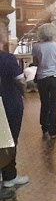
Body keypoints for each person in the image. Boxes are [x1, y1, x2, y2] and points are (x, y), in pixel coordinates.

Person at [0, 24, 29, 188]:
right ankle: (9, 176)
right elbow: (20, 81)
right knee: (9, 139)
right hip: (8, 102)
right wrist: (24, 92)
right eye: (6, 32)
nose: (7, 34)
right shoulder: (7, 58)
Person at [32, 23, 56, 140]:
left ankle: (44, 129)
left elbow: (35, 63)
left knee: (44, 103)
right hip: (55, 77)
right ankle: (53, 131)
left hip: (42, 78)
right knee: (54, 104)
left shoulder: (36, 46)